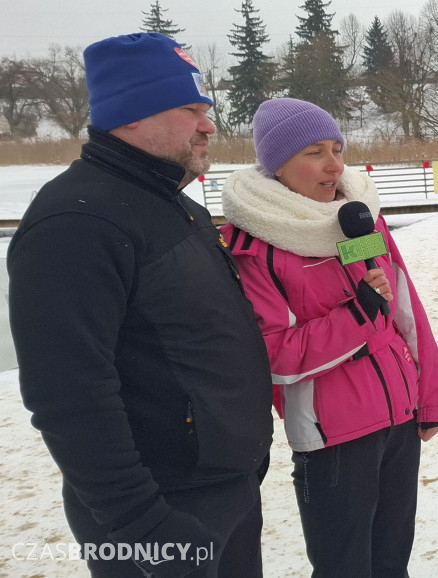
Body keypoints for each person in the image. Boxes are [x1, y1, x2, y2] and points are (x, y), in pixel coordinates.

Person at [7, 33, 273, 577]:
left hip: (224, 489)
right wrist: (144, 528)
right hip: (159, 516)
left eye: (206, 109)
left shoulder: (170, 202)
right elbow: (69, 397)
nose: (208, 124)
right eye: (190, 109)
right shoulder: (76, 223)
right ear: (130, 115)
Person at [219, 97, 438, 577]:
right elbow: (273, 358)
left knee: (392, 563)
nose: (334, 166)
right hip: (334, 440)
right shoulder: (256, 247)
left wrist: (432, 397)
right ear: (277, 166)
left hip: (398, 422)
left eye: (337, 149)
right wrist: (357, 316)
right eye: (314, 153)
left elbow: (404, 312)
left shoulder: (356, 220)